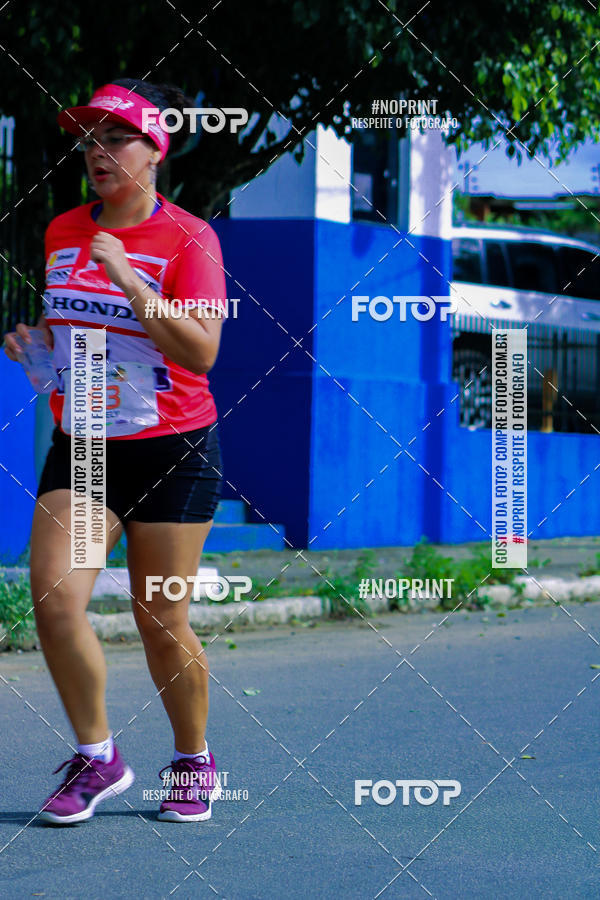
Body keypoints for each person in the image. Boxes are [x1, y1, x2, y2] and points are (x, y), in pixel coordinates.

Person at [2, 79, 228, 824]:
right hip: (88, 449)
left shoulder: (191, 238)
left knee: (160, 619)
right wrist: (38, 345)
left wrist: (130, 278)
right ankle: (98, 756)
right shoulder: (64, 229)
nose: (96, 152)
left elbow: (201, 352)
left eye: (115, 138)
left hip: (171, 451)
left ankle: (193, 759)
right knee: (54, 599)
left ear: (155, 148)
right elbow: (66, 322)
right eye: (88, 140)